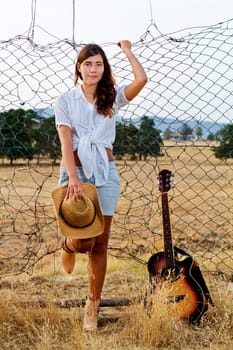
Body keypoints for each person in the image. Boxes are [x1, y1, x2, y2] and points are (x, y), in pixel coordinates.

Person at [54, 40, 147, 332]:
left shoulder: (112, 97)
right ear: (79, 68)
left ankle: (91, 308)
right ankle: (68, 244)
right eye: (88, 64)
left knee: (100, 244)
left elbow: (141, 80)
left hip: (105, 174)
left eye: (98, 64)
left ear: (104, 68)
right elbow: (66, 142)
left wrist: (128, 51)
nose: (93, 69)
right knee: (83, 242)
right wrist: (74, 177)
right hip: (76, 172)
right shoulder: (65, 100)